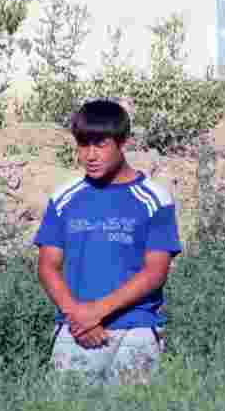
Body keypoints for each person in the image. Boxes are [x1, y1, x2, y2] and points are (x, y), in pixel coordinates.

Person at [33, 99, 182, 388]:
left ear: (123, 142)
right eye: (83, 145)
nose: (90, 155)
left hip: (136, 330)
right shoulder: (65, 197)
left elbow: (155, 271)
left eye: (100, 144)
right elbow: (48, 266)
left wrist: (96, 311)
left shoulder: (154, 198)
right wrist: (77, 315)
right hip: (76, 330)